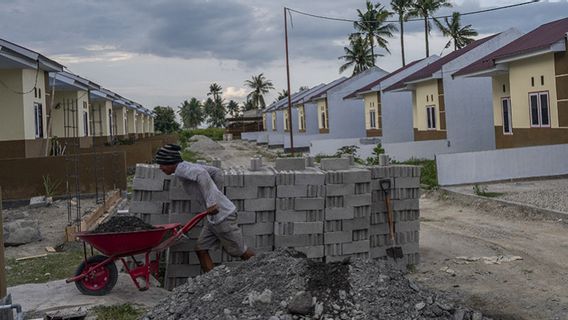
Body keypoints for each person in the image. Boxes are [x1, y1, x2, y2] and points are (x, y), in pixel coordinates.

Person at [155, 144, 255, 272]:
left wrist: (212, 202)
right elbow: (216, 172)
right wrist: (216, 195)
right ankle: (213, 281)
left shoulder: (183, 169)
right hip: (213, 218)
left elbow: (202, 174)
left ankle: (265, 270)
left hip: (223, 218)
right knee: (201, 249)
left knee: (240, 251)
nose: (160, 168)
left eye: (162, 164)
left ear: (169, 162)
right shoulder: (185, 166)